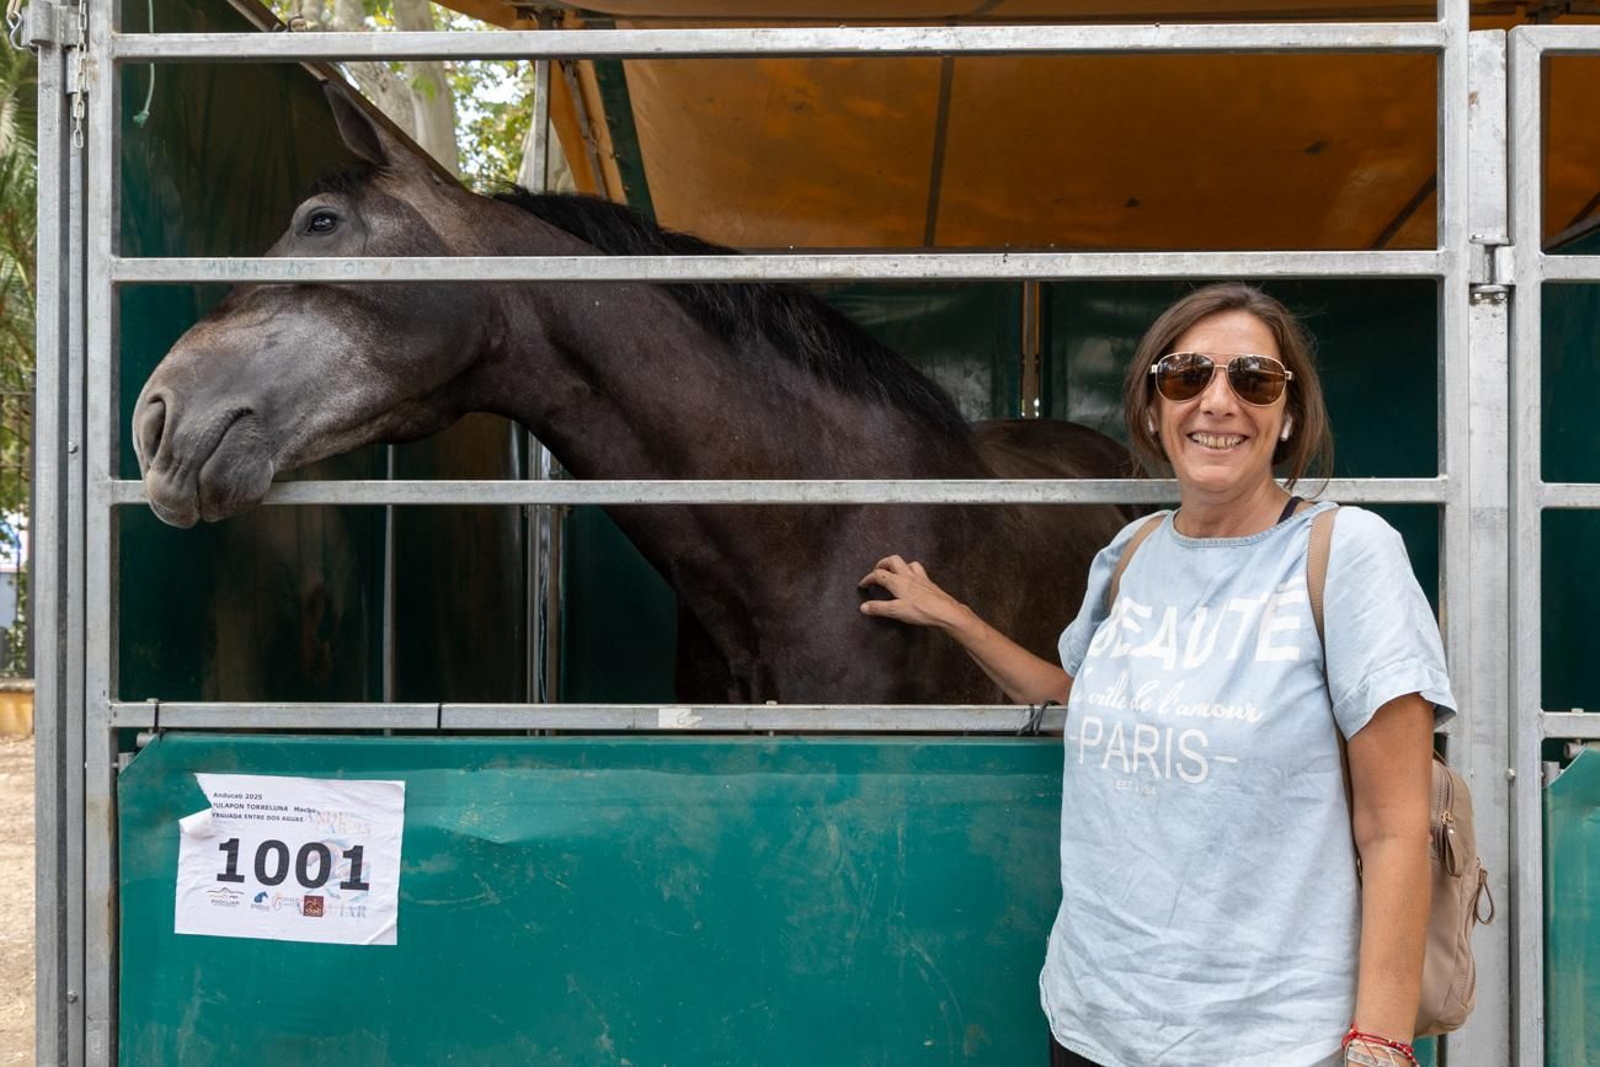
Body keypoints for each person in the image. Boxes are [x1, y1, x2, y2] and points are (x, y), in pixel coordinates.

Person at [858, 283, 1451, 1067]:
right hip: (1092, 1020)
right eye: (1186, 375)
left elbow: (1396, 826)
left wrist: (1378, 1043)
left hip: (1267, 1041)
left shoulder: (1348, 554)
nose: (1218, 401)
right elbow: (1081, 698)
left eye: (1254, 379)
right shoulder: (1130, 552)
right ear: (1150, 407)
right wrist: (953, 616)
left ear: (1289, 416)